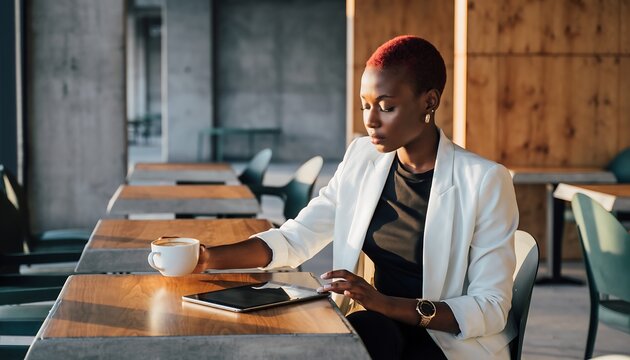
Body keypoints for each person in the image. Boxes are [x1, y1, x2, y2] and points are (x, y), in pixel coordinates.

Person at [194, 35, 519, 359]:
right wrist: (206, 258)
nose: (371, 120)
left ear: (429, 101)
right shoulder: (363, 157)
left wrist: (385, 303)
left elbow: (490, 307)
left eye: (387, 106)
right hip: (379, 325)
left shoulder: (484, 180)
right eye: (365, 105)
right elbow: (297, 238)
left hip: (445, 340)